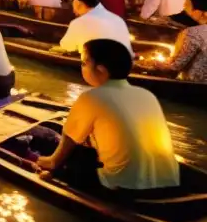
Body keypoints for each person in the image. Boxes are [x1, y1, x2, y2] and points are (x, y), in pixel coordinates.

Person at [36, 39, 179, 191]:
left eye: (84, 63)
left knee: (73, 152)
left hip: (120, 186)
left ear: (101, 70)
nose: (82, 67)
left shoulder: (92, 98)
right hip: (161, 181)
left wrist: (46, 162)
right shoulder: (146, 95)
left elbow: (63, 149)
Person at [146, 0, 207, 81]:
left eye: (187, 6)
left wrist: (156, 63)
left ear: (200, 12)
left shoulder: (193, 32)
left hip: (194, 88)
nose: (184, 8)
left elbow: (175, 68)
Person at [57, 0, 132, 55]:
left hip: (96, 65)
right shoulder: (118, 20)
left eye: (73, 4)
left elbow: (67, 46)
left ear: (79, 3)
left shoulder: (79, 22)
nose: (73, 10)